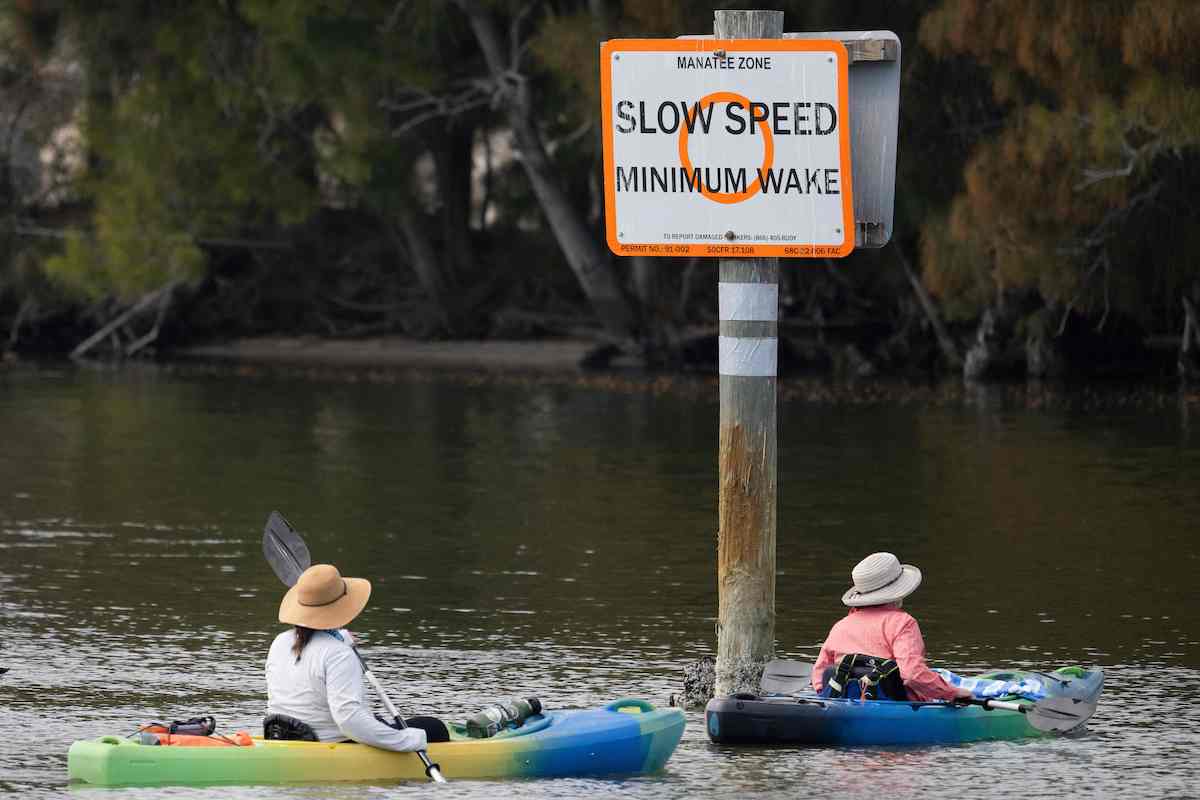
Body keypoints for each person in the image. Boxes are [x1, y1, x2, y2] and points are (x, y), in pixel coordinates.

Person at [265, 563, 448, 747]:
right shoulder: (339, 654)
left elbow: (314, 651)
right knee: (433, 727)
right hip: (333, 743)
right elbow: (349, 719)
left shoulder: (280, 642)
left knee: (376, 718)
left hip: (282, 735)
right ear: (341, 607)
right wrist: (408, 740)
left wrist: (337, 638)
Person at [811, 552, 972, 703]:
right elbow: (913, 675)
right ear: (899, 592)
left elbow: (819, 679)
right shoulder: (903, 622)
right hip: (894, 706)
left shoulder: (841, 625)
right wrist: (953, 692)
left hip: (842, 704)